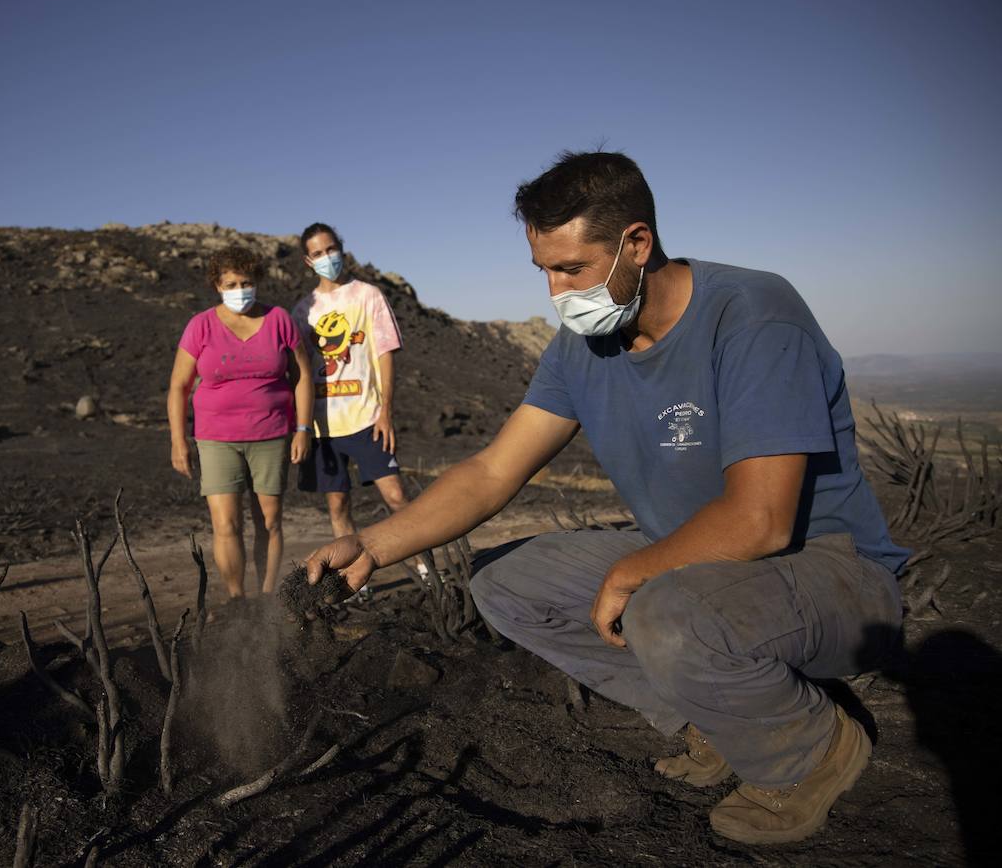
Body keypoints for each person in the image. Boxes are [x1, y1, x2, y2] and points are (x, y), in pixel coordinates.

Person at [303, 152, 908, 845]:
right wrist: (372, 545)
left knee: (665, 610)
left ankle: (810, 750)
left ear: (638, 244)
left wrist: (631, 573)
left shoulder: (753, 315)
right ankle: (713, 715)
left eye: (574, 269)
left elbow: (762, 520)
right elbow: (494, 471)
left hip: (833, 573)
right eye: (545, 272)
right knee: (503, 581)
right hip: (702, 570)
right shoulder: (580, 349)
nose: (559, 293)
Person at [168, 245, 314, 597]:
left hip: (272, 435)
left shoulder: (279, 319)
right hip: (216, 439)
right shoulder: (200, 325)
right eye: (230, 284)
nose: (239, 290)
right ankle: (237, 598)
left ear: (257, 281)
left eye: (246, 282)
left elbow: (303, 377)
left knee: (269, 522)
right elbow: (178, 386)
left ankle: (266, 597)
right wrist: (178, 441)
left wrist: (303, 429)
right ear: (217, 285)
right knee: (225, 524)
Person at [293, 223, 410, 549]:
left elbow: (385, 355)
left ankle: (424, 564)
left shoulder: (368, 295)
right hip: (324, 426)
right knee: (337, 506)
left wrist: (386, 412)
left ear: (341, 249)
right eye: (317, 253)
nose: (326, 257)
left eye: (331, 249)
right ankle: (354, 577)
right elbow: (298, 370)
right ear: (308, 261)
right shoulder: (303, 311)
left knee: (396, 496)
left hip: (367, 419)